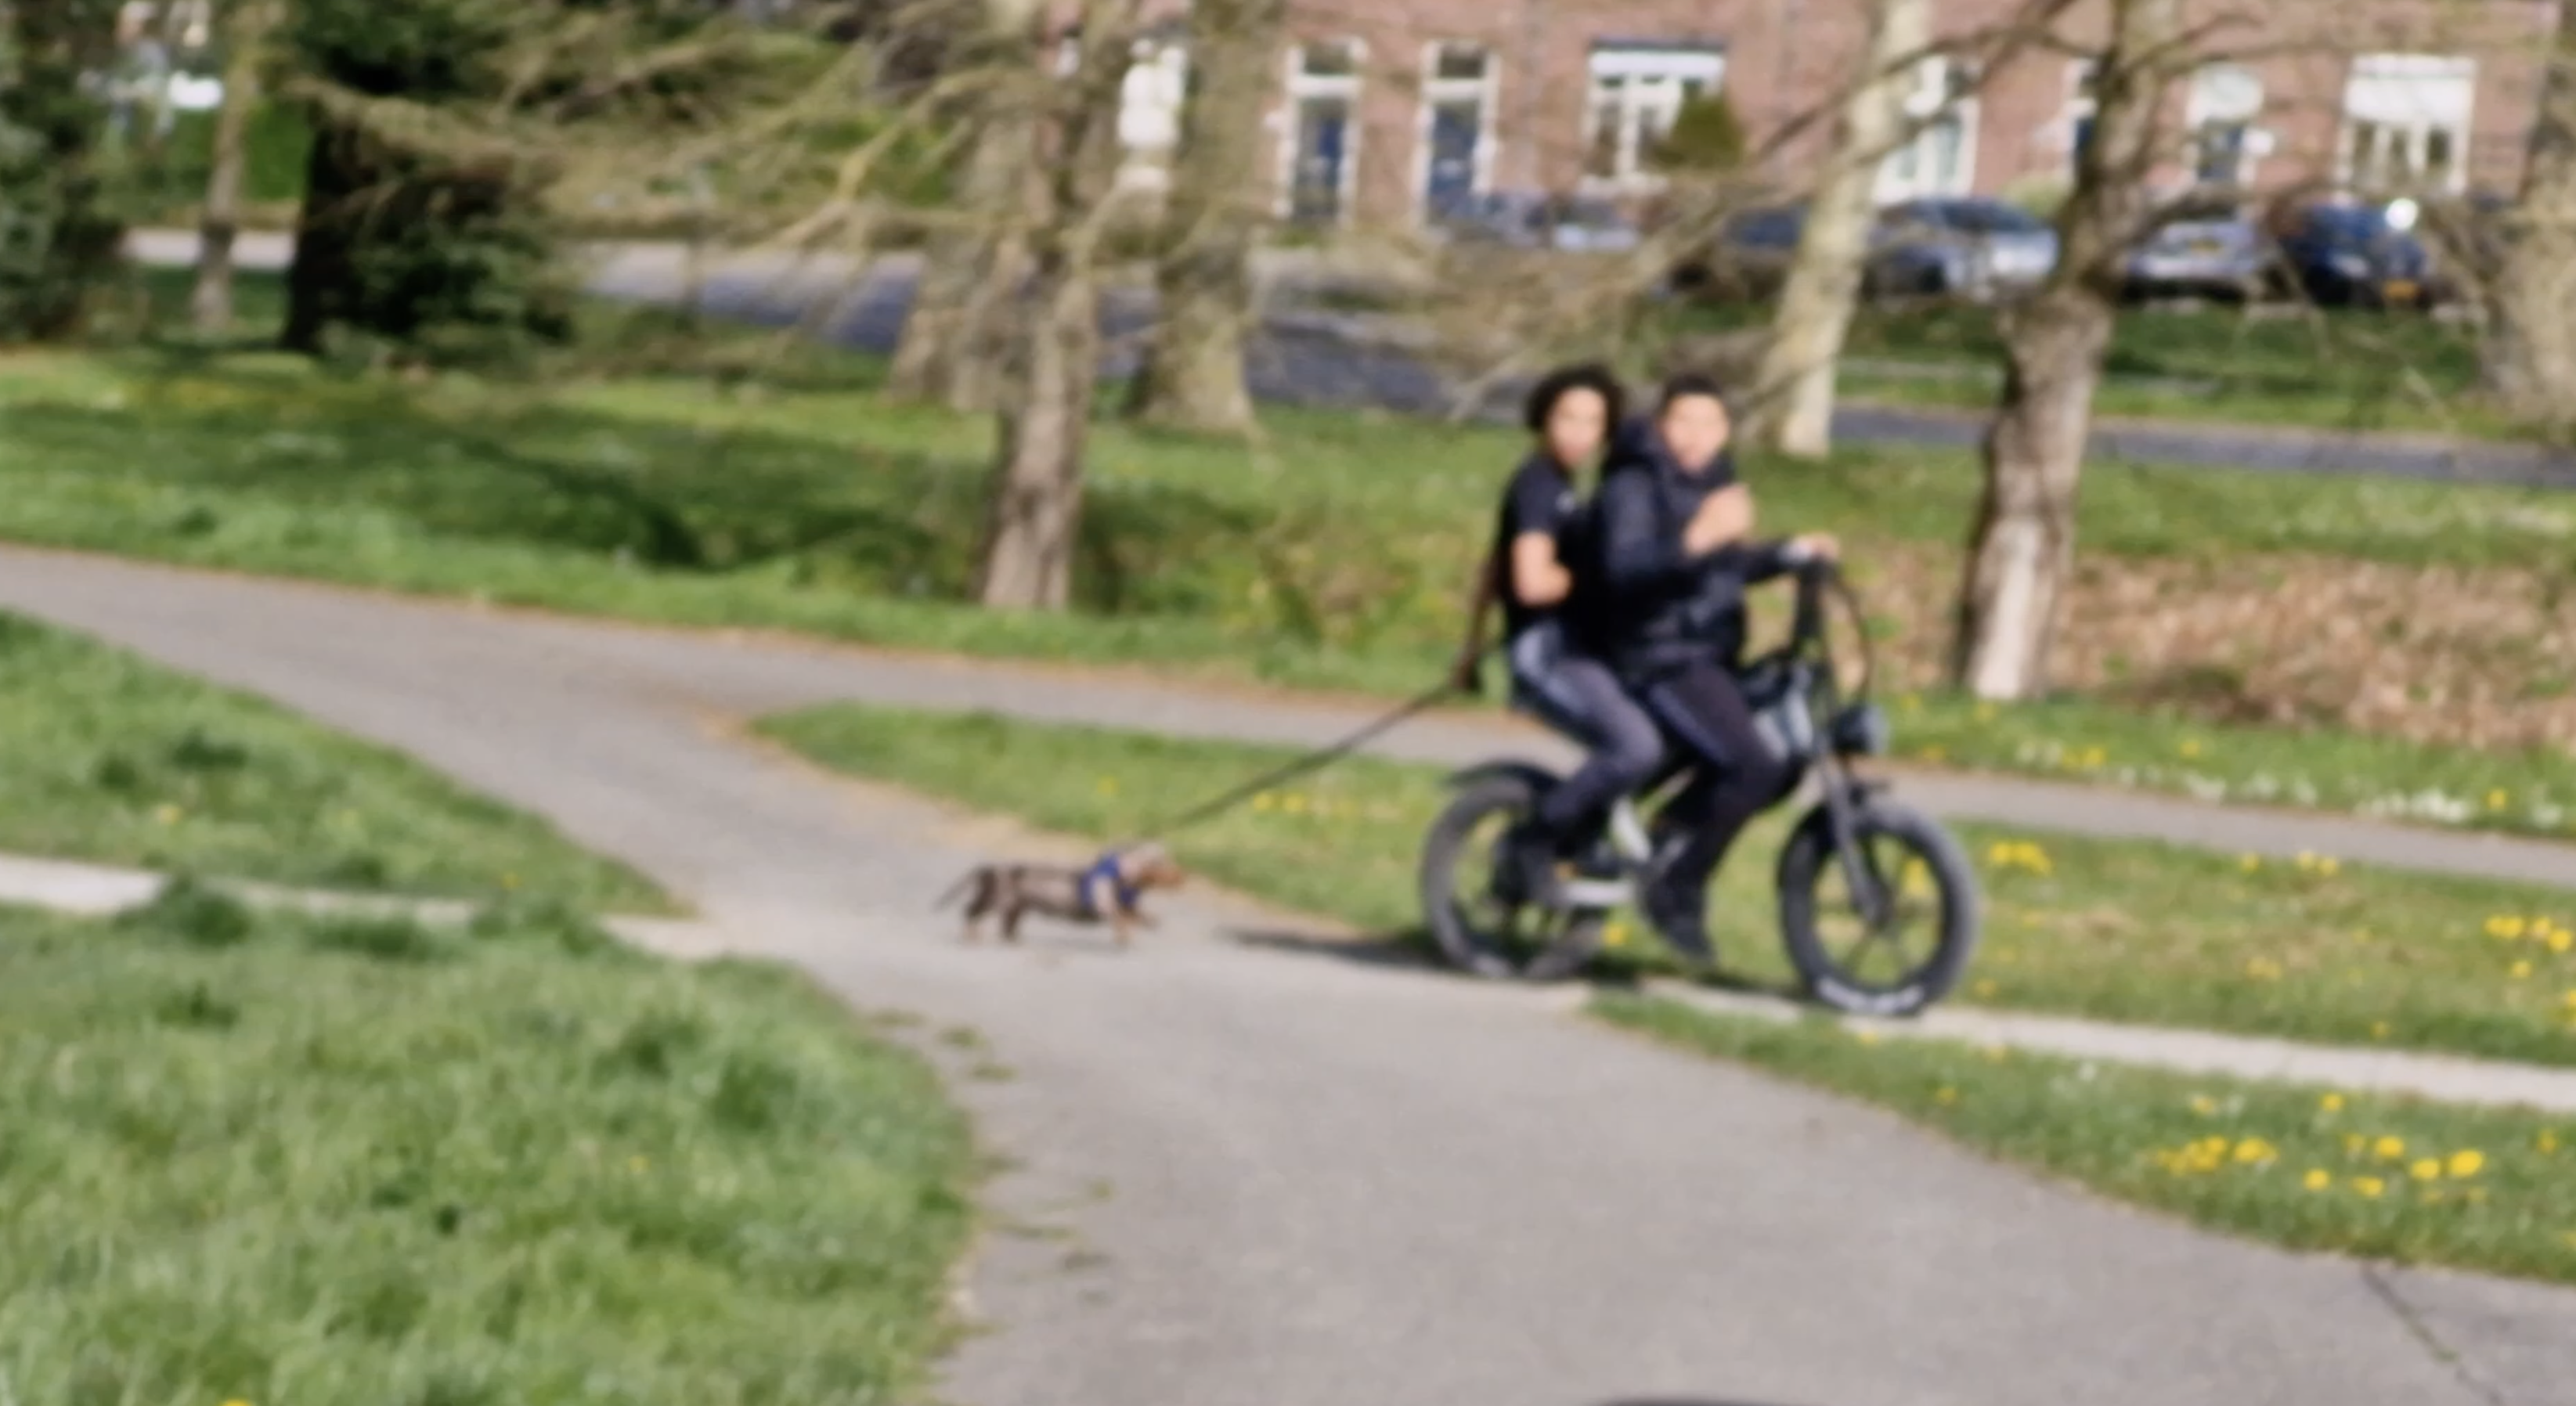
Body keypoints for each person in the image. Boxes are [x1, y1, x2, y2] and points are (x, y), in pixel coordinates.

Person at [1581, 373, 1837, 963]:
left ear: (1725, 432)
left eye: (1710, 424)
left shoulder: (1712, 481)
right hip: (1656, 654)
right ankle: (1678, 888)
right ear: (1661, 426)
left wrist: (1791, 553)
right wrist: (1698, 539)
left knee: (1780, 763)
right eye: (1683, 422)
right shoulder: (1633, 483)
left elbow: (1724, 568)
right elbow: (1625, 569)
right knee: (1753, 763)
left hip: (1705, 653)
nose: (1696, 436)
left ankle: (1668, 836)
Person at [1451, 362, 1666, 903]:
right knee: (1635, 747)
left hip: (1569, 647)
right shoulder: (1539, 487)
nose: (1579, 432)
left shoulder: (1563, 488)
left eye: (1592, 422)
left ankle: (1588, 841)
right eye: (1567, 417)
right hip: (1546, 652)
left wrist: (1470, 650)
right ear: (1543, 419)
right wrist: (1602, 574)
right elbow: (1530, 581)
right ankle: (1533, 844)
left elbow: (1493, 568)